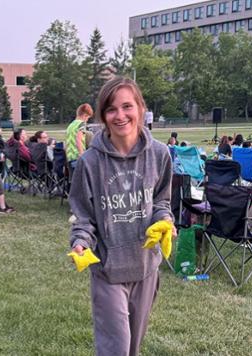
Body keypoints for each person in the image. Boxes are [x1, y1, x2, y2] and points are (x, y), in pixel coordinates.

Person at [69, 77, 174, 356]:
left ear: (140, 108)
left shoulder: (160, 154)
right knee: (116, 349)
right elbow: (83, 216)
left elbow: (162, 201)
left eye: (127, 106)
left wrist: (165, 222)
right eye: (111, 109)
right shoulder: (89, 162)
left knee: (133, 349)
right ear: (103, 115)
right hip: (108, 269)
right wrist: (80, 241)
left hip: (145, 266)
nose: (120, 115)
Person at [66, 103, 93, 173]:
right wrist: (82, 155)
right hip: (78, 157)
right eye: (88, 118)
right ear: (85, 115)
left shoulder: (71, 125)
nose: (87, 120)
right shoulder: (81, 124)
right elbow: (78, 139)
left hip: (70, 157)